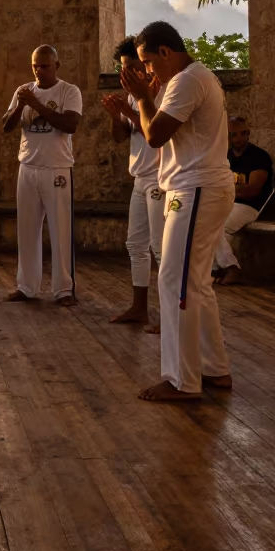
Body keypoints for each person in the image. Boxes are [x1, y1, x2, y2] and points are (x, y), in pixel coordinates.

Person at [122, 20, 234, 402]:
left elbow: (154, 136)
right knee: (197, 284)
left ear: (166, 53)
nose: (147, 71)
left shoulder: (188, 80)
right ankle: (214, 369)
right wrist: (152, 93)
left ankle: (182, 381)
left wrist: (141, 97)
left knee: (175, 282)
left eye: (149, 63)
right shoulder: (188, 79)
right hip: (196, 188)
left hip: (196, 189)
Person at [3, 45, 82, 306]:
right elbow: (6, 126)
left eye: (45, 66)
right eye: (35, 65)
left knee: (60, 229)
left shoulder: (68, 91)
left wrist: (38, 105)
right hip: (28, 166)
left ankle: (64, 289)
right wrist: (20, 106)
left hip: (56, 168)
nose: (39, 70)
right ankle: (26, 286)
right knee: (27, 229)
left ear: (56, 66)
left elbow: (70, 124)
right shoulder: (23, 91)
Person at [101, 37, 165, 328]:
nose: (126, 74)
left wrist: (129, 110)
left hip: (159, 178)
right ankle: (140, 308)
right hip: (139, 177)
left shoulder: (162, 92)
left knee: (161, 249)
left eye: (133, 67)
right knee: (135, 245)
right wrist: (117, 116)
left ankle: (170, 315)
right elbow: (121, 137)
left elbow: (156, 132)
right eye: (123, 68)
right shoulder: (132, 96)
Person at [212, 116, 273, 286]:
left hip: (250, 206)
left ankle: (232, 269)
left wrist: (225, 188)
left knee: (218, 228)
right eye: (234, 134)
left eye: (243, 133)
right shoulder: (225, 156)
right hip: (226, 202)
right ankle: (216, 270)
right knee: (202, 223)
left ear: (248, 133)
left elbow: (252, 191)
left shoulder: (259, 157)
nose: (239, 138)